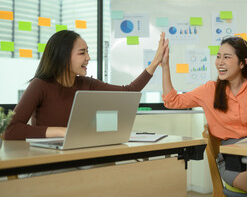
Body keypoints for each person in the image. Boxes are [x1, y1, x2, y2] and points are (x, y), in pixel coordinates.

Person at [161, 34, 247, 197]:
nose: (220, 62)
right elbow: (172, 101)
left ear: (243, 63)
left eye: (227, 57)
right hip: (233, 158)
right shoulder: (210, 90)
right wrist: (165, 66)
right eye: (218, 56)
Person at [4, 30, 168, 140]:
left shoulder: (86, 83)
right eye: (82, 53)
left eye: (87, 52)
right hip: (49, 160)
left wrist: (155, 62)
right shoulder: (40, 85)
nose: (88, 57)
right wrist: (61, 132)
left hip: (79, 154)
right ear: (62, 56)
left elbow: (128, 92)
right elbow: (10, 130)